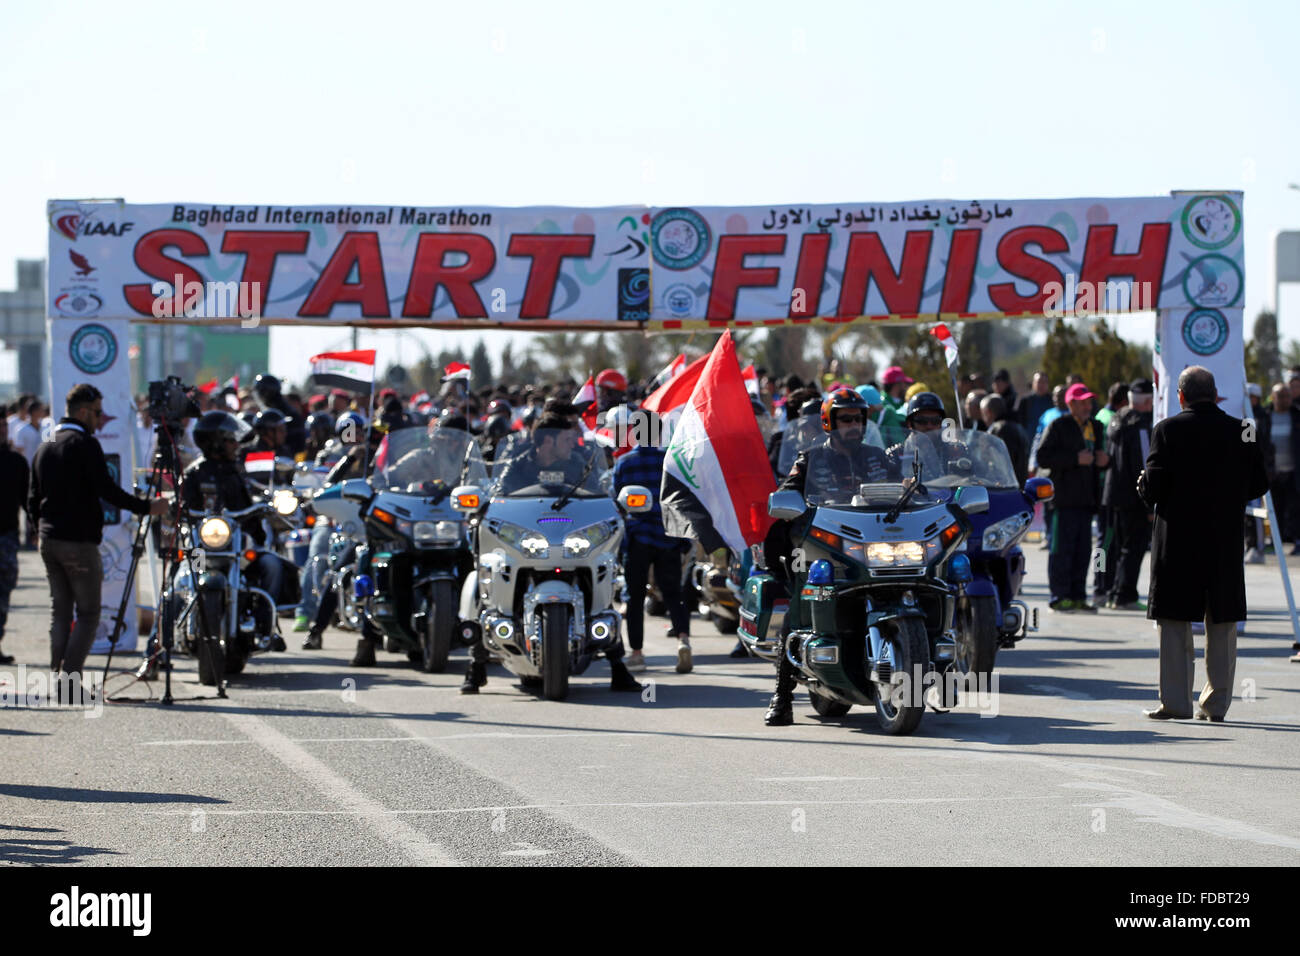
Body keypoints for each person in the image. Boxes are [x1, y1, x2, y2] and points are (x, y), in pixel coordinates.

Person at [461, 415, 641, 693]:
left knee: (605, 582)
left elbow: (600, 492)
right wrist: (482, 505)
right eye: (568, 440)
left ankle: (618, 665)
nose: (573, 445)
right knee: (487, 578)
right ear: (548, 441)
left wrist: (616, 505)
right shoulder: (517, 465)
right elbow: (498, 496)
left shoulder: (580, 464)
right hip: (528, 540)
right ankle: (477, 664)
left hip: (570, 539)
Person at [762, 389, 899, 726]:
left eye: (858, 418)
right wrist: (788, 500)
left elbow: (903, 493)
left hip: (873, 546)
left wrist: (916, 488)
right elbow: (787, 496)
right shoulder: (810, 459)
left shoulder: (879, 458)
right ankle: (781, 695)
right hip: (823, 548)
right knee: (799, 607)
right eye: (846, 419)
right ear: (829, 422)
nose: (853, 425)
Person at [1139, 367, 1268, 720]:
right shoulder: (1243, 430)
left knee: (1174, 620)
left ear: (1181, 396)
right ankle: (1216, 704)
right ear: (1216, 395)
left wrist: (1143, 485)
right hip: (1224, 539)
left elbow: (1155, 489)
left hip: (1178, 540)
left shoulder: (1167, 430)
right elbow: (1259, 484)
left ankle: (1176, 702)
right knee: (1222, 622)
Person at [29, 384, 169, 685]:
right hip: (77, 542)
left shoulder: (46, 442)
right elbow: (108, 491)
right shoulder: (84, 443)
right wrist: (147, 507)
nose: (100, 418)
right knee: (90, 613)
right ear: (82, 411)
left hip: (50, 540)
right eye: (96, 412)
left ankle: (59, 675)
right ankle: (69, 680)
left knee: (61, 612)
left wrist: (38, 530)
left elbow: (32, 498)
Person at [182, 410, 298, 649]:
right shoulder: (195, 473)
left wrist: (261, 513)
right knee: (178, 579)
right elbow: (183, 504)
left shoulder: (235, 471)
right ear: (216, 442)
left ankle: (265, 625)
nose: (236, 444)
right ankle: (161, 639)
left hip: (235, 545)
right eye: (230, 440)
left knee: (272, 565)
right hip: (202, 547)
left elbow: (247, 506)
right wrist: (176, 508)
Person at [612, 409, 693, 674]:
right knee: (672, 593)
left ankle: (636, 653)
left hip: (637, 538)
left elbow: (617, 502)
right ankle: (683, 640)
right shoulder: (670, 462)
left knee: (634, 596)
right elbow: (680, 500)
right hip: (667, 535)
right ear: (658, 432)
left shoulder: (624, 464)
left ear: (634, 432)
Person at [1036, 382, 1108, 612]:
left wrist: (1106, 461)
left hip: (1087, 500)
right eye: (1083, 402)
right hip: (1063, 501)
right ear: (1071, 404)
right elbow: (1043, 457)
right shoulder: (1059, 425)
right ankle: (1059, 596)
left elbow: (1101, 458)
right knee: (1061, 551)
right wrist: (1075, 459)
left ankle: (1078, 596)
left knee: (1082, 552)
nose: (1088, 406)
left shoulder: (1095, 426)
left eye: (1089, 401)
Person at [1102, 379, 1154, 610]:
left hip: (1112, 495)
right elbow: (1145, 466)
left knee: (1109, 546)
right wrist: (1150, 502)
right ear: (1149, 400)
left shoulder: (1116, 419)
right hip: (1133, 498)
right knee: (1132, 547)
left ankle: (1106, 589)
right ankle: (1125, 594)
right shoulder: (1140, 424)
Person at [0, 417, 28, 664]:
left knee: (3, 593)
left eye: (3, 426)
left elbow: (27, 499)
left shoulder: (15, 463)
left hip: (7, 536)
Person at [1267, 383, 1300, 554]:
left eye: (1288, 396)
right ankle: (1274, 542)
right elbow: (1249, 440)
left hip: (1294, 472)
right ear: (1273, 397)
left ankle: (1296, 541)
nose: (1285, 399)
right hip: (1272, 474)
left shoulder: (1296, 415)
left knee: (1295, 509)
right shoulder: (1261, 416)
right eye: (1281, 396)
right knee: (1275, 509)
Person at [981, 393, 1029, 485]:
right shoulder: (1017, 426)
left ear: (988, 412)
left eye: (983, 413)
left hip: (1006, 485)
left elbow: (1002, 462)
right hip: (1020, 481)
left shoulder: (999, 430)